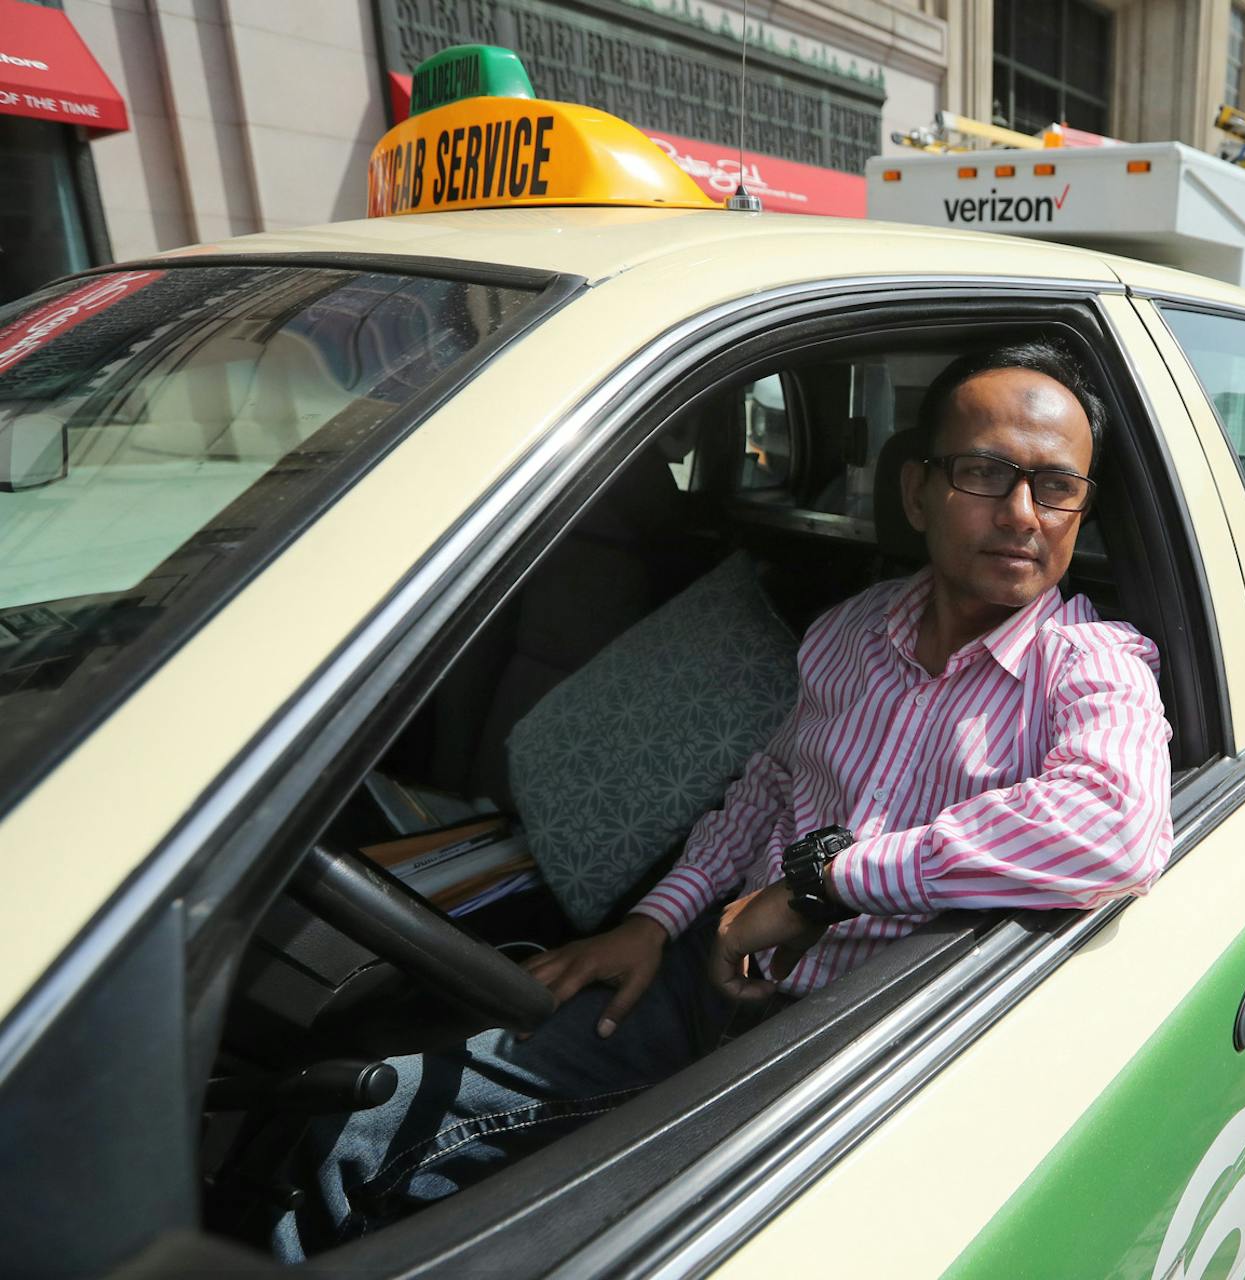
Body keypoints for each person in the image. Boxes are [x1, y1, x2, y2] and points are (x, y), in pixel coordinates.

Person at [271, 339, 1174, 1256]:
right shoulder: (850, 631)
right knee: (365, 1131)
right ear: (917, 492)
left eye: (1056, 487)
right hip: (705, 968)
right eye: (985, 472)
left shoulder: (1092, 667)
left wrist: (827, 885)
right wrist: (657, 922)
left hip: (850, 1049)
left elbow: (1118, 830)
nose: (1023, 513)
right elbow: (770, 786)